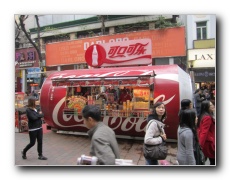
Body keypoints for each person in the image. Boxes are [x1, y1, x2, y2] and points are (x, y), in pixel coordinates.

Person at [197, 100, 215, 165]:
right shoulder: (207, 117)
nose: (213, 106)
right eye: (211, 105)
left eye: (212, 104)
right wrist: (200, 145)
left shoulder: (202, 115)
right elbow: (204, 132)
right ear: (206, 107)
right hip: (208, 143)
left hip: (206, 142)